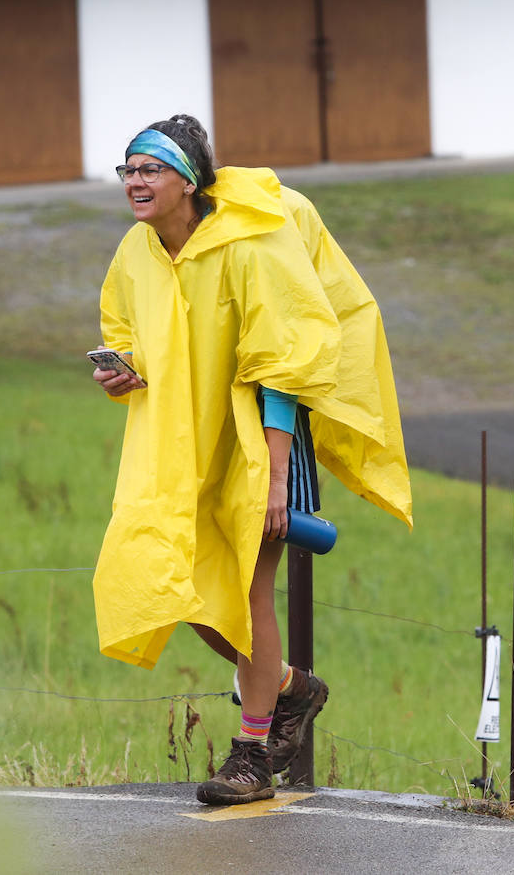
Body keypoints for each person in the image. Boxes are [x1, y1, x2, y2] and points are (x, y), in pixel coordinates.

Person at [91, 114, 412, 805]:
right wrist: (125, 371)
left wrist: (271, 476)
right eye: (129, 170)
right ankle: (294, 688)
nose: (135, 183)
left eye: (150, 169)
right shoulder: (136, 252)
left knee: (246, 592)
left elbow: (281, 362)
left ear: (187, 179)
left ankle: (252, 755)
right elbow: (131, 334)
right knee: (185, 587)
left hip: (266, 440)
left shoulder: (247, 244)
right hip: (185, 447)